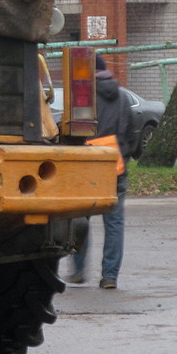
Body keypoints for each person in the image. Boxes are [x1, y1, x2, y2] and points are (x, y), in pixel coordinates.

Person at [67, 53, 133, 289]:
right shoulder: (123, 97)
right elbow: (132, 133)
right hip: (116, 163)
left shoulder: (83, 97)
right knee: (114, 223)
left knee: (79, 218)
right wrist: (125, 154)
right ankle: (110, 276)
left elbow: (73, 132)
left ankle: (78, 271)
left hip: (87, 161)